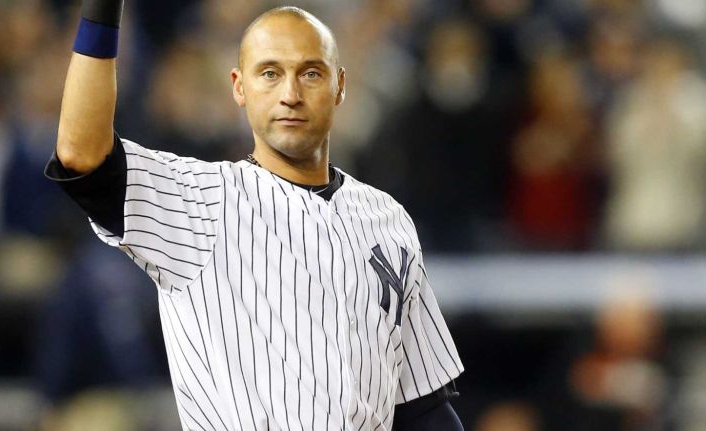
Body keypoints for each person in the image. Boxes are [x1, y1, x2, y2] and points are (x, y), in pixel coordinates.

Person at [45, 1, 464, 430]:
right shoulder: (199, 200)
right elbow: (82, 154)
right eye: (270, 73)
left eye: (311, 73)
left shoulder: (388, 219)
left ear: (340, 85)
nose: (290, 94)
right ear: (239, 87)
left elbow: (423, 407)